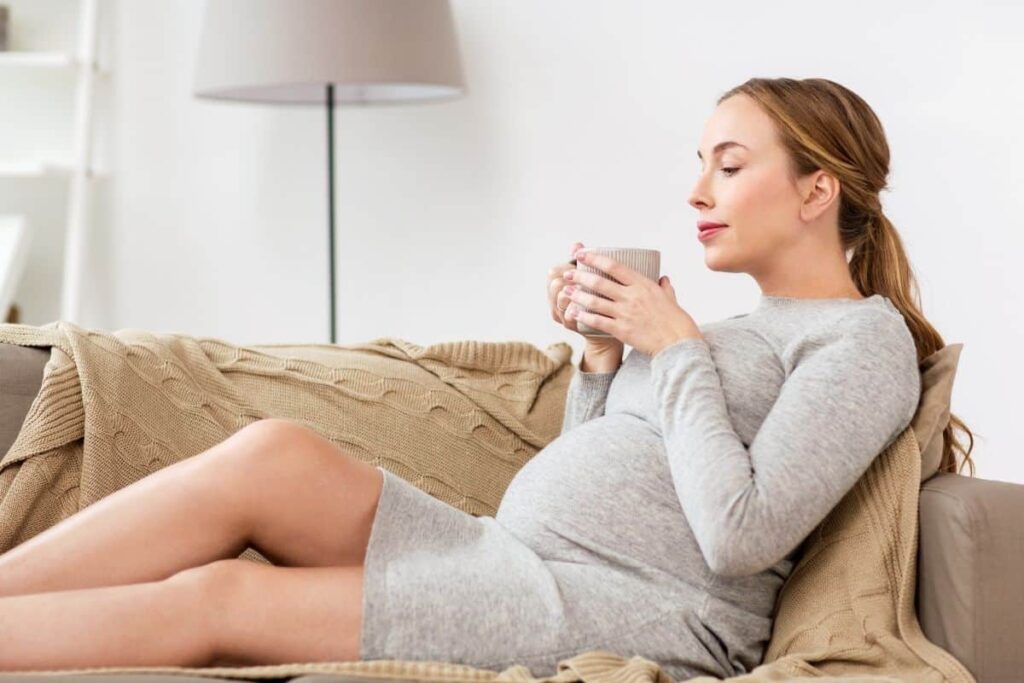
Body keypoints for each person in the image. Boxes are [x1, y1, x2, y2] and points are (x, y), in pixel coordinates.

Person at [0, 77, 975, 679]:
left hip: (623, 608)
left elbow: (739, 533)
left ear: (817, 189)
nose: (695, 192)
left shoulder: (861, 343)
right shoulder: (736, 328)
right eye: (698, 164)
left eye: (727, 165)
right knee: (271, 453)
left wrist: (672, 345)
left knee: (220, 599)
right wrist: (601, 364)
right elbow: (601, 467)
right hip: (509, 550)